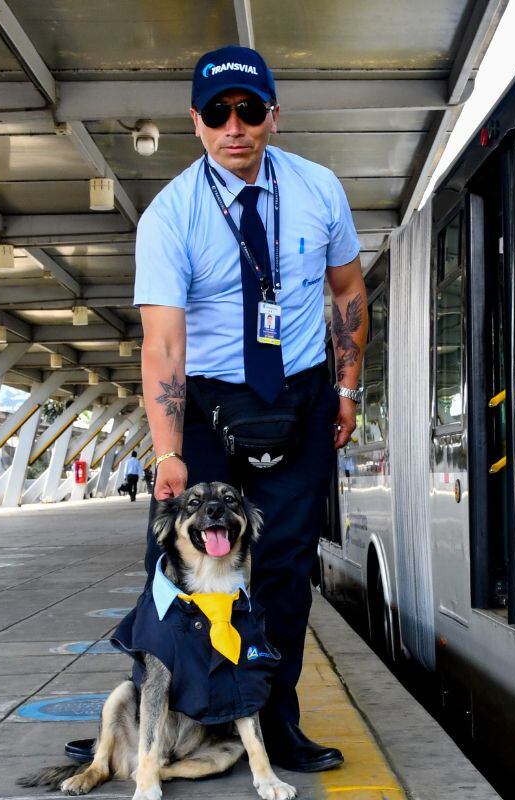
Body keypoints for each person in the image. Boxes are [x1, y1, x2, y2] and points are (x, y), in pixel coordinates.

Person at [132, 45, 367, 773]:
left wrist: (349, 389)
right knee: (177, 573)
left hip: (299, 399)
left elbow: (350, 295)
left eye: (248, 110)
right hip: (205, 407)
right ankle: (170, 719)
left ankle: (275, 720)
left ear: (273, 114)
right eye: (217, 113)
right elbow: (163, 346)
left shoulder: (319, 188)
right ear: (195, 123)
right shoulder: (170, 215)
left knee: (287, 571)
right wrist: (169, 453)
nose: (234, 127)